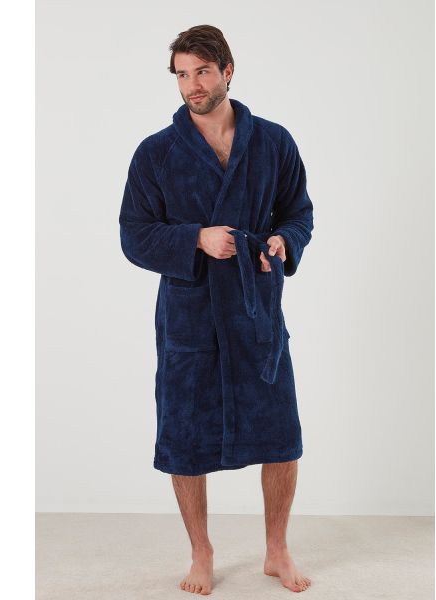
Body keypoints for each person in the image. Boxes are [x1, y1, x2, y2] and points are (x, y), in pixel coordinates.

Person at [119, 24, 314, 595]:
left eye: (202, 71)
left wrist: (283, 242)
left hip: (256, 313)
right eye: (182, 74)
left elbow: (298, 212)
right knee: (184, 436)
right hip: (190, 315)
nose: (192, 85)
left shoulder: (273, 142)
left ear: (227, 71)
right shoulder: (156, 153)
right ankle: (201, 552)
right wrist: (194, 239)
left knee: (281, 433)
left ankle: (276, 550)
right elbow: (134, 235)